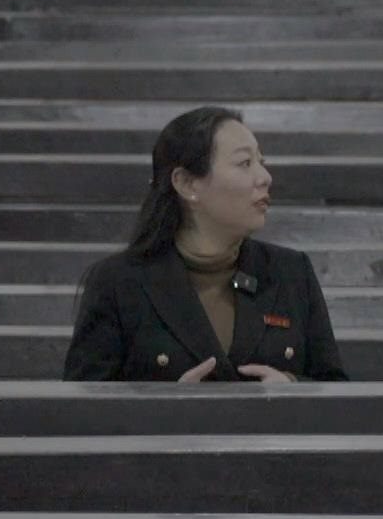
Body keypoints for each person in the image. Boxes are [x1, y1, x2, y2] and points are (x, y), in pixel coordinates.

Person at [63, 105, 348, 383]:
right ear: (187, 184)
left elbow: (335, 390)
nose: (265, 177)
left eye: (262, 162)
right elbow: (83, 405)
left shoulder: (292, 271)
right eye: (245, 163)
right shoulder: (118, 282)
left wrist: (292, 387)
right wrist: (164, 406)